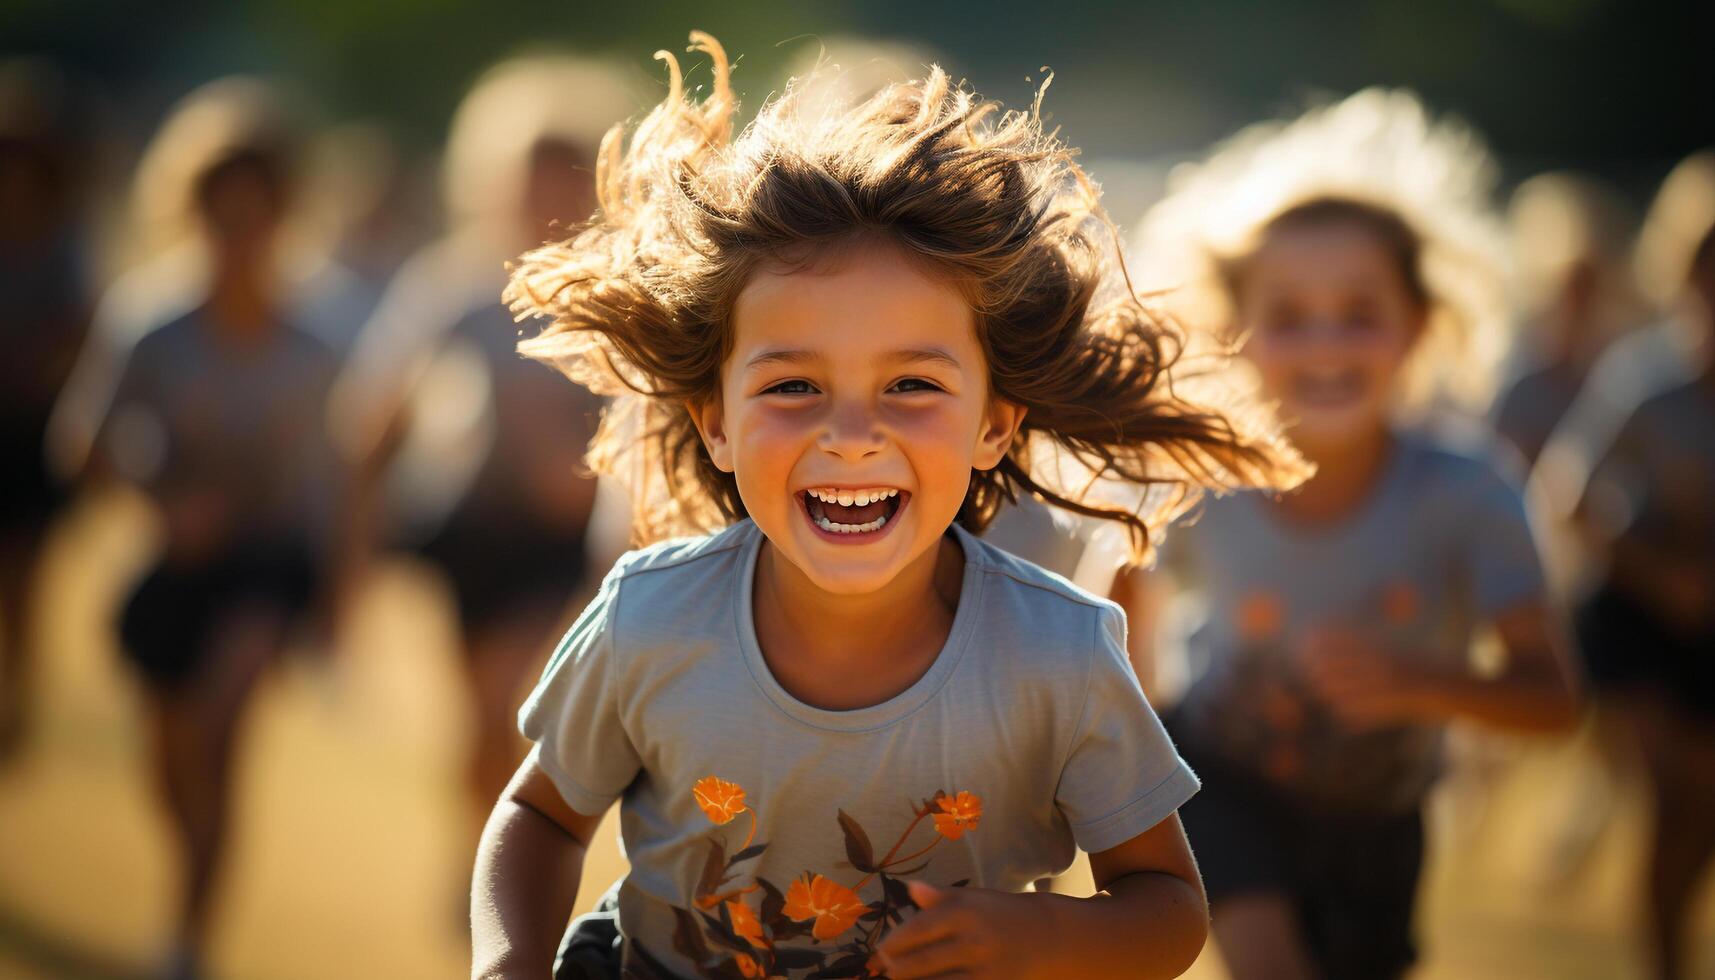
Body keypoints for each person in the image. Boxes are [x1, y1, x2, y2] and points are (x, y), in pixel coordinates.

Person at [470, 33, 1307, 980]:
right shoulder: (649, 618)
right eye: (792, 388)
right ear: (715, 423)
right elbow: (538, 818)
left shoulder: (1057, 656)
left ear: (994, 424)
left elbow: (1169, 909)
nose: (852, 434)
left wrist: (1040, 935)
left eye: (910, 383)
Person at [1132, 89, 1581, 980]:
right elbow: (1120, 588)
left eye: (1358, 311)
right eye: (1287, 316)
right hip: (1221, 780)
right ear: (1234, 335)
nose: (1324, 343)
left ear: (1417, 323)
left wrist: (1423, 682)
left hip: (1381, 814)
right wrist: (1129, 730)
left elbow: (1555, 701)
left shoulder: (1469, 491)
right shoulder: (1203, 476)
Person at [52, 77, 345, 980]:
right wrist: (164, 504)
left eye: (258, 217)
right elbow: (83, 445)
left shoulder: (319, 340)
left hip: (271, 568)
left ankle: (187, 941)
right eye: (222, 217)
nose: (239, 238)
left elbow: (338, 485)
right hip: (177, 567)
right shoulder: (150, 325)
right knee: (174, 759)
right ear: (191, 214)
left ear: (284, 216)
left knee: (223, 726)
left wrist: (336, 602)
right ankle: (189, 883)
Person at [329, 55, 638, 825]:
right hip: (471, 535)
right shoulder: (458, 286)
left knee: (514, 694)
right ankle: (480, 849)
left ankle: (512, 861)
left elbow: (650, 418)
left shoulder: (618, 293)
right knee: (481, 714)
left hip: (569, 546)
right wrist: (354, 567)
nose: (545, 197)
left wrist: (589, 481)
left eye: (564, 176)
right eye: (529, 176)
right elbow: (374, 415)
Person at [1544, 150, 1715, 980]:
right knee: (1669, 785)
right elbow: (1567, 495)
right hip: (1635, 621)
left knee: (1698, 811)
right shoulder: (1645, 381)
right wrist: (1661, 575)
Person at [0, 60, 97, 761]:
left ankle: (19, 691)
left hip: (25, 434)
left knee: (23, 574)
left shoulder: (62, 243)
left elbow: (77, 330)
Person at [1491, 172, 1641, 468]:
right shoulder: (1523, 387)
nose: (1581, 307)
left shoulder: (1626, 382)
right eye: (1572, 292)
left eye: (1590, 292)